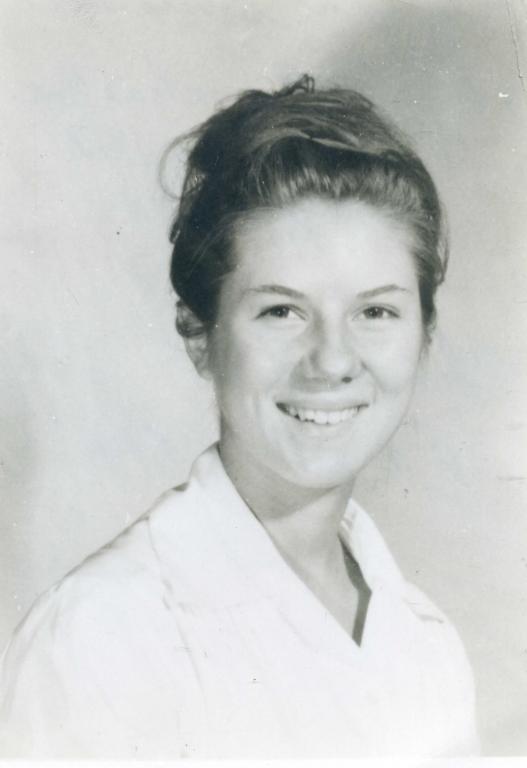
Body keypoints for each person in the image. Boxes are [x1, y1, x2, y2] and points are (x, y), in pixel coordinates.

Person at [0, 76, 479, 758]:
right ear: (200, 334)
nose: (331, 360)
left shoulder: (428, 646)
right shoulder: (101, 640)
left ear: (423, 334)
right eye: (281, 311)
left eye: (375, 311)